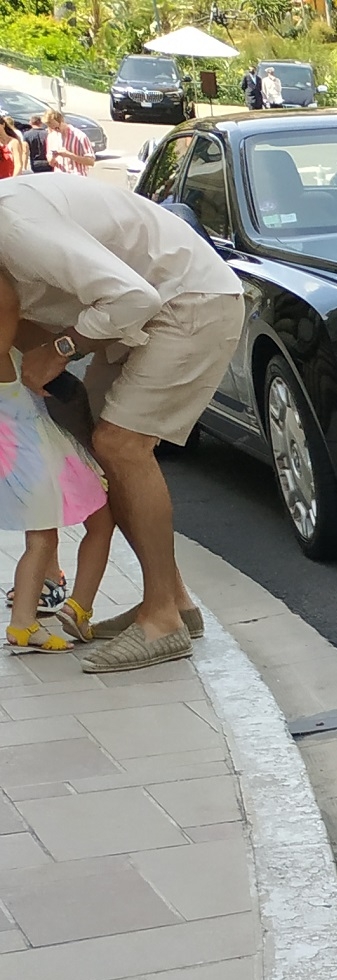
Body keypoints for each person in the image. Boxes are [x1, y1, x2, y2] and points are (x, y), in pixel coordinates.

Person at [0, 172, 245, 671]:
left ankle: (161, 622)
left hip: (186, 301)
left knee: (120, 445)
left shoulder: (13, 221)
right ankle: (173, 601)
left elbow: (134, 297)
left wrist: (61, 349)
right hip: (132, 319)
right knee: (98, 451)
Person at [0, 270, 114, 651]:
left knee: (54, 536)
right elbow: (11, 305)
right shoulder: (5, 354)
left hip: (41, 453)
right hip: (37, 458)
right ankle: (28, 622)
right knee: (45, 539)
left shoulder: (14, 349)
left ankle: (54, 614)